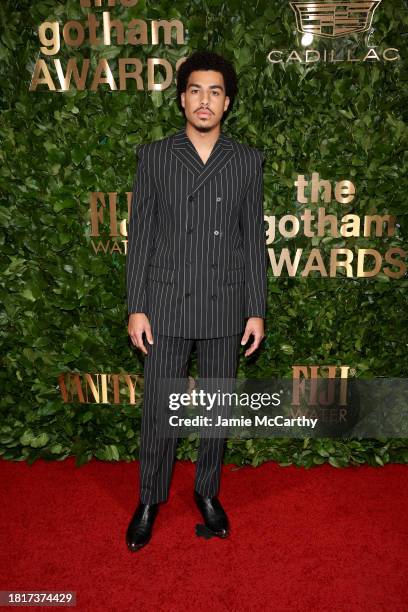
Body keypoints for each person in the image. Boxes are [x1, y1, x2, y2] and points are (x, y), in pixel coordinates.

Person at [125, 50, 267, 551]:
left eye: (214, 92)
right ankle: (149, 498)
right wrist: (136, 305)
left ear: (227, 103)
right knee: (160, 408)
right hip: (164, 302)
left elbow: (254, 239)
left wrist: (257, 309)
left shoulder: (248, 161)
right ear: (182, 98)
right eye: (194, 90)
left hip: (225, 301)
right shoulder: (155, 156)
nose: (204, 100)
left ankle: (207, 490)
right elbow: (140, 236)